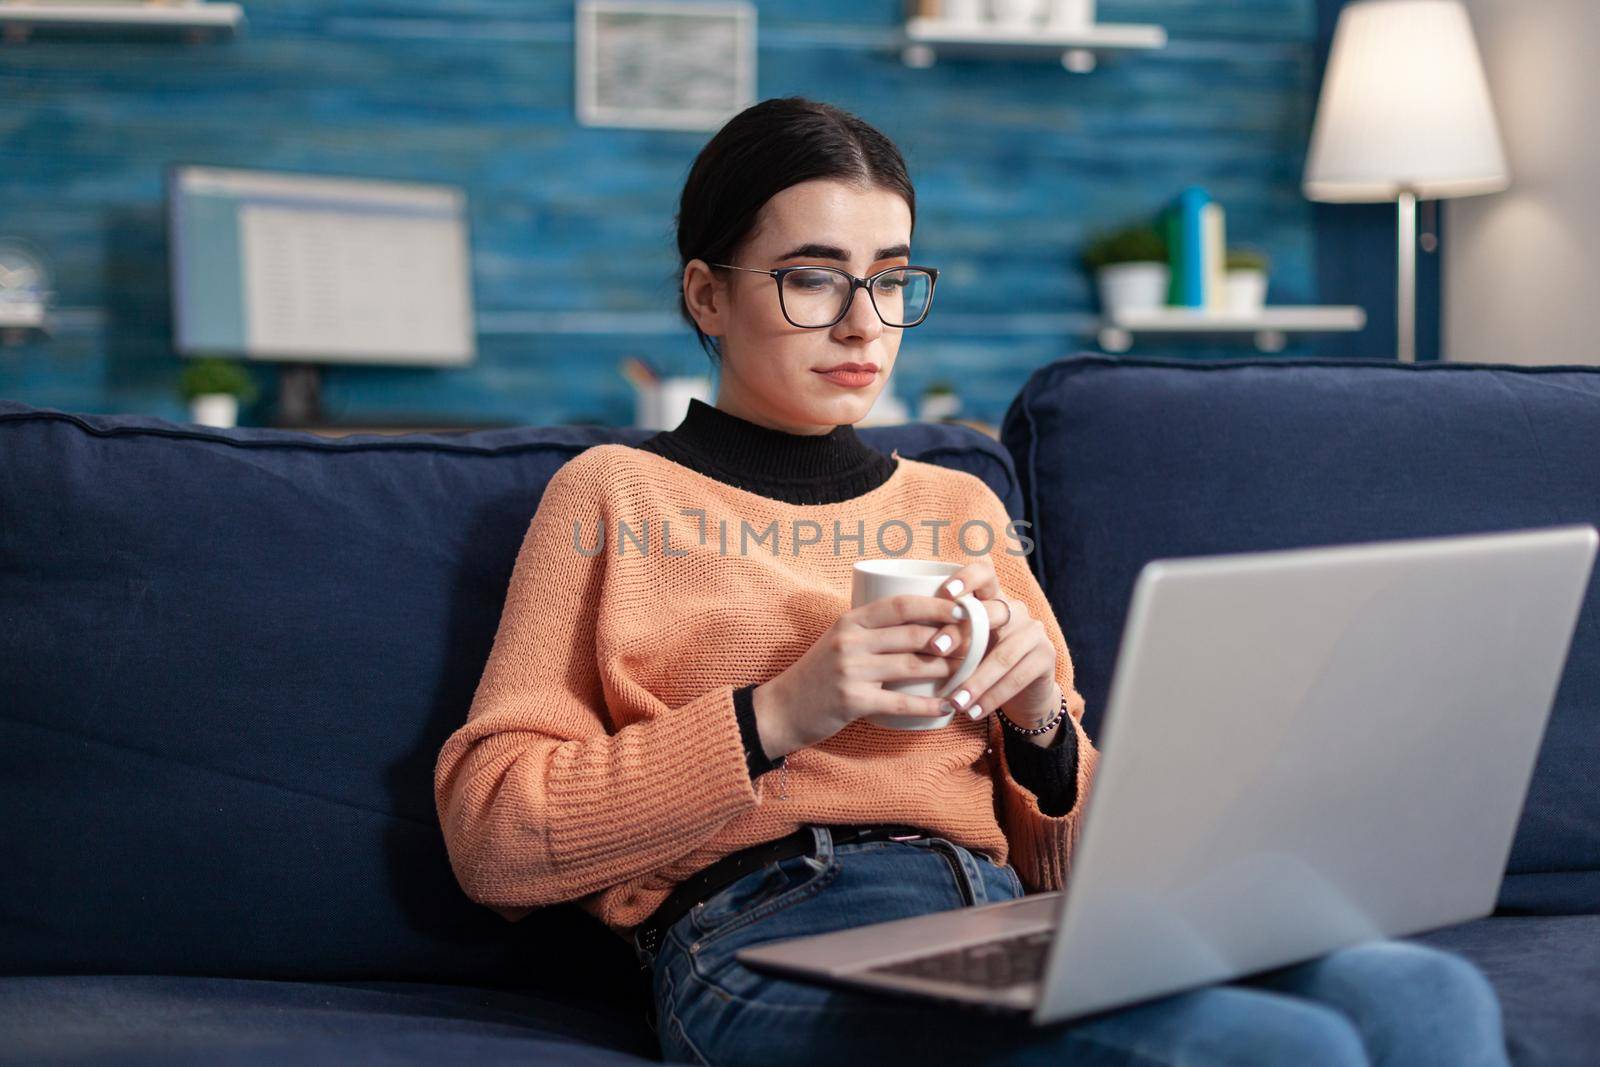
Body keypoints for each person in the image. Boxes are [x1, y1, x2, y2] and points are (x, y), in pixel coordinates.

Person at [433, 96, 1510, 1067]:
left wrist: (1041, 727)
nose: (865, 323)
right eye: (814, 277)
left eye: (892, 277)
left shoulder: (959, 508)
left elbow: (1081, 865)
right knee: (1262, 1047)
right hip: (768, 934)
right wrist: (779, 712)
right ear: (706, 295)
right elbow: (494, 836)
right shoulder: (616, 496)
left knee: (1420, 988)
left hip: (995, 918)